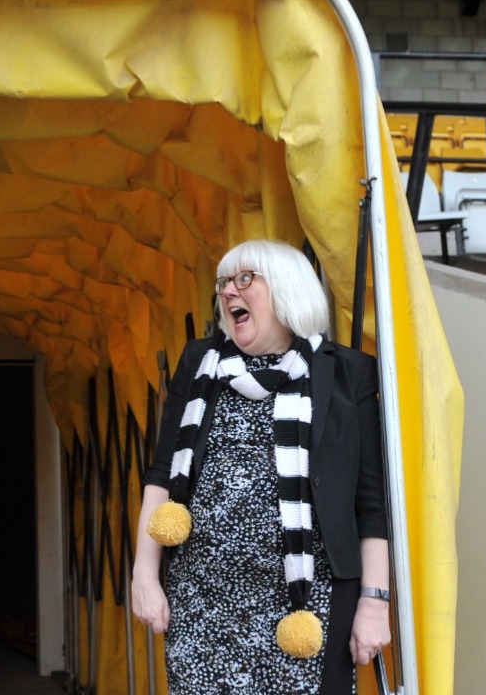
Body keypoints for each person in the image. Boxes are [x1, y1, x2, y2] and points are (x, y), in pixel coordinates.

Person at [130, 239, 391, 694]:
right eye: (224, 282)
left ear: (288, 288)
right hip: (202, 601)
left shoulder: (348, 373)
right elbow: (162, 474)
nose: (228, 291)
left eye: (245, 278)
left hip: (307, 604)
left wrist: (374, 602)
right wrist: (144, 575)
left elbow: (370, 505)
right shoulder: (199, 362)